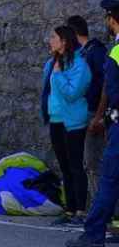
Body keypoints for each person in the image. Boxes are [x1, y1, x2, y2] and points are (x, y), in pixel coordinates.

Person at [67, 0, 119, 247]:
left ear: (112, 20)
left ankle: (94, 233)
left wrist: (101, 118)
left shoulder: (116, 51)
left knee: (108, 179)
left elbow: (110, 89)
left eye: (108, 19)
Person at [41, 25, 91, 227]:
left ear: (64, 42)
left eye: (53, 37)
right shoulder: (51, 64)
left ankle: (80, 210)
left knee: (75, 166)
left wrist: (59, 74)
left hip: (73, 122)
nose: (49, 40)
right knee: (64, 167)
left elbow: (72, 93)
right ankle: (69, 210)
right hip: (56, 120)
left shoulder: (80, 65)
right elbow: (48, 92)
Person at [66, 16, 108, 201]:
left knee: (94, 162)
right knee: (86, 162)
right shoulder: (83, 53)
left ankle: (104, 209)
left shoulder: (95, 52)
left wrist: (99, 116)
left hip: (93, 114)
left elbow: (106, 86)